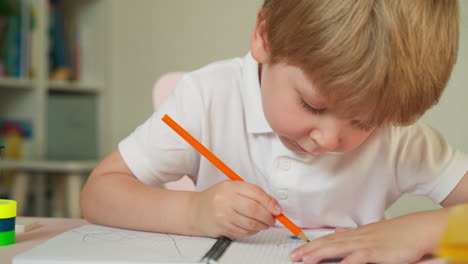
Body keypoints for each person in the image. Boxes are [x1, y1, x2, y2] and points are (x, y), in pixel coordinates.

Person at [80, 1, 468, 263]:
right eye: (313, 105)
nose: (331, 140)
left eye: (363, 122)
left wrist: (426, 229)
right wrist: (193, 212)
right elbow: (100, 193)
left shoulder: (399, 138)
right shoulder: (208, 98)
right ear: (264, 36)